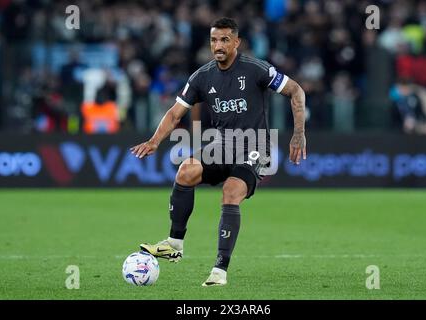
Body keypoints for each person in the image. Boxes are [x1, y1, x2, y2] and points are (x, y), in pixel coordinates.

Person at [130, 17, 307, 286]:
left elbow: (296, 91)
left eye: (225, 39)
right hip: (222, 146)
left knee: (231, 191)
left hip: (254, 145)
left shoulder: (256, 69)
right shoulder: (202, 77)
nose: (218, 45)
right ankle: (174, 243)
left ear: (237, 42)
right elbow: (175, 113)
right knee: (186, 170)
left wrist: (298, 134)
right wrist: (155, 141)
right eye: (214, 39)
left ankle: (219, 270)